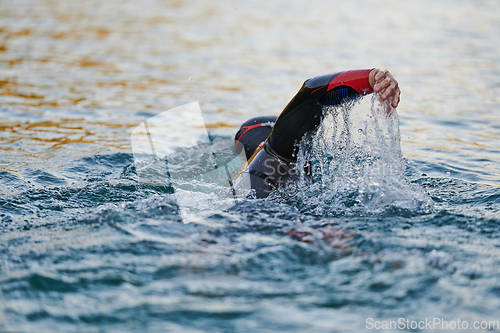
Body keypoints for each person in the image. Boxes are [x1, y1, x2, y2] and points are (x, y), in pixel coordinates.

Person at [234, 68, 401, 198]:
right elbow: (310, 94)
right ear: (262, 144)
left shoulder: (240, 187)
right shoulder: (274, 156)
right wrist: (372, 78)